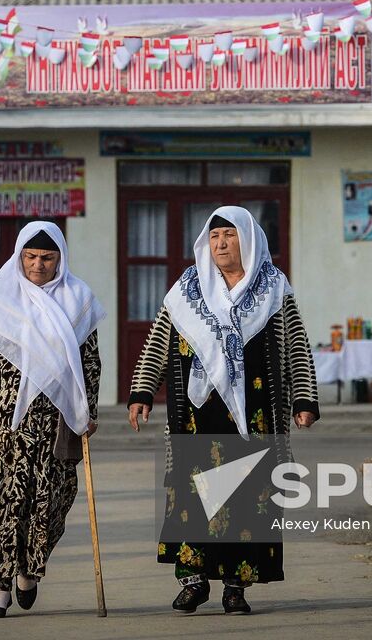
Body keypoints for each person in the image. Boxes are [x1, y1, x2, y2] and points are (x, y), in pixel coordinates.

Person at [127, 206, 318, 616]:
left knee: (249, 500)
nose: (221, 244)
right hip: (197, 417)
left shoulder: (273, 289)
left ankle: (236, 587)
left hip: (254, 418)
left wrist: (303, 399)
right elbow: (158, 341)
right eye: (214, 237)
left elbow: (296, 347)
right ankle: (193, 582)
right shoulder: (187, 290)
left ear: (247, 240)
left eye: (229, 235)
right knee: (191, 497)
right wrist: (142, 391)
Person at [0, 222, 103, 619]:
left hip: (52, 422)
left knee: (51, 500)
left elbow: (90, 364)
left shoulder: (77, 299)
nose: (37, 265)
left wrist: (89, 411)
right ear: (18, 256)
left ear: (60, 259)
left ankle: (29, 570)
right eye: (30, 257)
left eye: (47, 258)